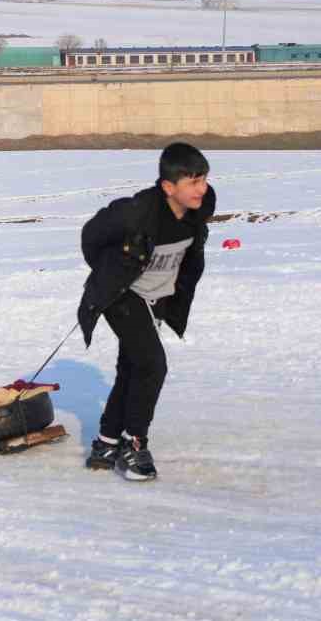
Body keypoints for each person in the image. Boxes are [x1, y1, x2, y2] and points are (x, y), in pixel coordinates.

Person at [77, 143, 217, 481]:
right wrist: (111, 271)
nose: (202, 189)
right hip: (122, 296)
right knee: (153, 364)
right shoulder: (136, 211)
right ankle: (134, 443)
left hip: (156, 299)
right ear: (169, 187)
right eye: (193, 182)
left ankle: (106, 442)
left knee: (132, 367)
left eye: (204, 180)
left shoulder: (200, 207)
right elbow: (91, 236)